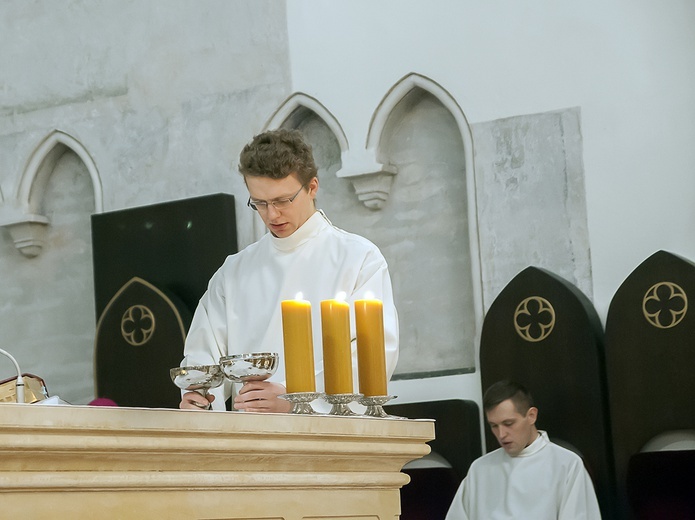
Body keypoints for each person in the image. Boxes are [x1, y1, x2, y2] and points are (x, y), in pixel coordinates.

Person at [179, 128, 399, 412]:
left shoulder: (358, 258)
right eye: (259, 203)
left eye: (282, 201)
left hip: (328, 437)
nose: (272, 215)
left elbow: (373, 356)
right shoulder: (233, 272)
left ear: (312, 187)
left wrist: (295, 400)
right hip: (249, 436)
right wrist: (201, 400)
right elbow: (203, 353)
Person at [445, 380, 601, 520]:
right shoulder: (480, 469)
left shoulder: (567, 465)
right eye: (494, 426)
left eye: (509, 423)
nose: (501, 434)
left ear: (531, 416)